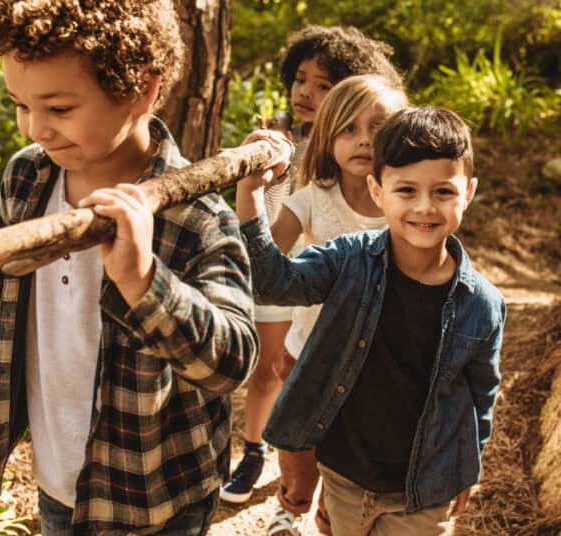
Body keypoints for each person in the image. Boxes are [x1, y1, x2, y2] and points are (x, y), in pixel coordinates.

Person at [0, 1, 258, 534]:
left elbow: (233, 360)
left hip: (156, 491)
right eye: (20, 106)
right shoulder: (26, 179)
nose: (35, 129)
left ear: (143, 90)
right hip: (58, 475)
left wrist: (143, 280)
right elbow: (3, 293)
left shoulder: (196, 216)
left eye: (58, 109)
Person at [236, 107, 505, 536]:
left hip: (424, 488)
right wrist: (251, 192)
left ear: (468, 192)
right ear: (377, 190)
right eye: (406, 190)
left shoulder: (483, 304)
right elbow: (272, 282)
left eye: (442, 192)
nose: (424, 207)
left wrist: (468, 465)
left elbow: (480, 393)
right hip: (345, 476)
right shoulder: (347, 261)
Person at [222, 22, 402, 522]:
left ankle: (329, 510)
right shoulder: (293, 162)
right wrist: (256, 186)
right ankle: (278, 483)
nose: (307, 92)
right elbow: (267, 244)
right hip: (301, 314)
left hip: (368, 345)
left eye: (324, 84)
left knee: (345, 450)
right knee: (287, 408)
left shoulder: (403, 196)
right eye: (301, 79)